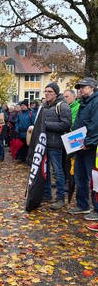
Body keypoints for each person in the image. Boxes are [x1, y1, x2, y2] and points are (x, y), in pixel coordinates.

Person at [67, 78, 98, 219]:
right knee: (79, 176)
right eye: (80, 87)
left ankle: (96, 210)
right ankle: (83, 205)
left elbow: (95, 125)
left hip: (90, 147)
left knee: (93, 179)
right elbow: (80, 123)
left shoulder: (96, 102)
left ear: (92, 87)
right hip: (80, 145)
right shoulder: (83, 103)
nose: (81, 89)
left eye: (84, 87)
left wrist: (89, 142)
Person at [42, 82, 72, 210]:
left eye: (50, 92)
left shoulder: (63, 106)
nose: (47, 93)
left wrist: (46, 125)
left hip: (56, 144)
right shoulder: (44, 106)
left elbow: (66, 125)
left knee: (58, 172)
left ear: (56, 93)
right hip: (44, 143)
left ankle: (60, 199)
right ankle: (47, 194)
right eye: (46, 91)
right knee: (45, 171)